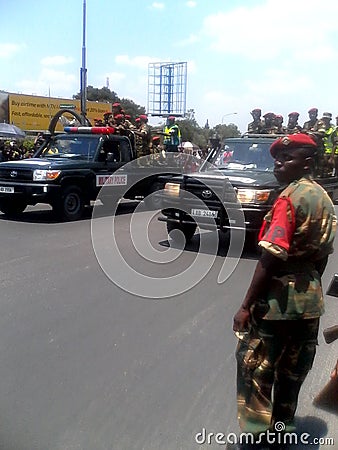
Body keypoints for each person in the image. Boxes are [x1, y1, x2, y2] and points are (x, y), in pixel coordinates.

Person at [233, 133, 336, 446]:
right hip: (309, 306)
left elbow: (269, 258)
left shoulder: (288, 199)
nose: (278, 163)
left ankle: (256, 438)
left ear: (306, 163)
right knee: (293, 374)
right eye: (277, 158)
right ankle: (283, 433)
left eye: (287, 158)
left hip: (276, 306)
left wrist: (246, 306)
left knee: (256, 371)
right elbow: (322, 257)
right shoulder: (323, 198)